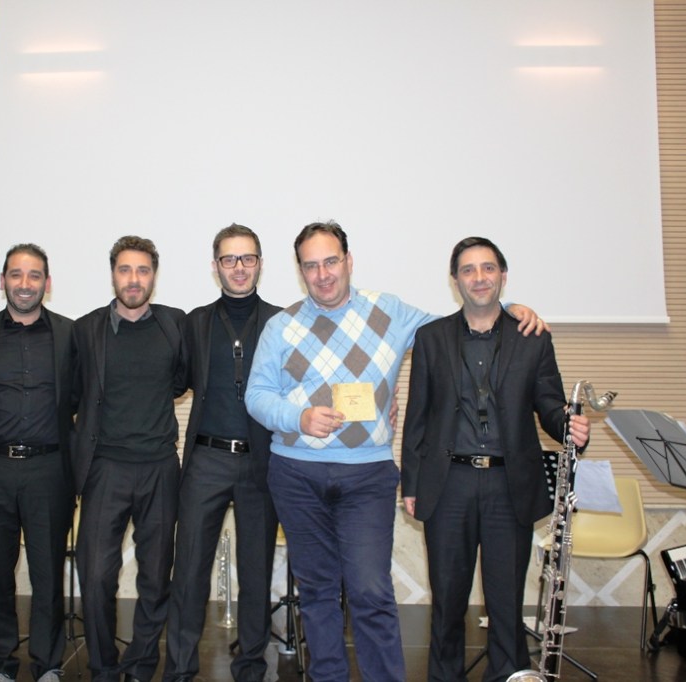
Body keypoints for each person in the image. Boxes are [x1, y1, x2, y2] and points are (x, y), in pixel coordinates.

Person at [244, 221, 546, 681]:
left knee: (370, 590)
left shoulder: (389, 311)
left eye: (331, 261)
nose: (323, 274)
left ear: (349, 261)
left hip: (367, 475)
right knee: (318, 591)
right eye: (311, 265)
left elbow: (457, 328)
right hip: (297, 473)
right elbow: (257, 395)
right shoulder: (280, 327)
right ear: (300, 270)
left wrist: (509, 309)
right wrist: (297, 417)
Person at [400, 236, 590, 682]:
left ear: (503, 276)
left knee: (506, 604)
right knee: (447, 602)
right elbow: (417, 416)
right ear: (455, 281)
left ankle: (508, 676)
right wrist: (411, 482)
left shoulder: (533, 337)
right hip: (448, 485)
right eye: (468, 270)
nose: (479, 278)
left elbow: (549, 404)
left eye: (488, 268)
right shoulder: (431, 338)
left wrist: (570, 427)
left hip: (510, 486)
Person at [162, 224, 280, 682]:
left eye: (247, 258)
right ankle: (179, 669)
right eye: (229, 259)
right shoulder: (194, 322)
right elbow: (171, 382)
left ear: (260, 263)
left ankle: (250, 667)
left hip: (261, 462)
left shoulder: (282, 321)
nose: (239, 267)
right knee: (189, 570)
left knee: (256, 573)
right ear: (215, 266)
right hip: (206, 461)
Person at [0, 244, 76, 682]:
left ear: (48, 283)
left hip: (50, 471)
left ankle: (48, 663)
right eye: (16, 275)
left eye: (34, 275)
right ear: (2, 280)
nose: (25, 284)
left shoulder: (70, 335)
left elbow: (85, 398)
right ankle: (1, 664)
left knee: (48, 574)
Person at [71, 235, 188, 682]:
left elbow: (180, 381)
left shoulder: (174, 324)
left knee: (156, 578)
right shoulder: (87, 330)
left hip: (160, 466)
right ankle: (103, 666)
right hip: (105, 468)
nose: (133, 279)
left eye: (142, 270)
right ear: (113, 275)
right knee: (96, 574)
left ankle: (140, 664)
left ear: (154, 275)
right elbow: (75, 393)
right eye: (125, 269)